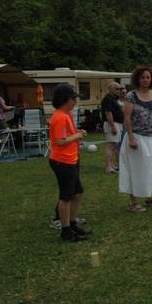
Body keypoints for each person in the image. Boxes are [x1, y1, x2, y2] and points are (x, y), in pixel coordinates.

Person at [119, 65, 152, 212]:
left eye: (148, 77)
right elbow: (127, 118)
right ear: (137, 79)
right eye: (142, 77)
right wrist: (131, 138)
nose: (145, 80)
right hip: (137, 138)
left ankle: (150, 197)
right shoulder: (131, 96)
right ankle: (133, 202)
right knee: (136, 169)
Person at [48, 84, 90, 242]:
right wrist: (77, 136)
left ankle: (72, 224)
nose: (75, 102)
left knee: (77, 193)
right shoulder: (59, 117)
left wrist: (77, 133)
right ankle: (65, 230)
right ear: (66, 99)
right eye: (73, 99)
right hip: (62, 161)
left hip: (71, 159)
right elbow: (59, 141)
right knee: (66, 196)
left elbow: (67, 135)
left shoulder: (67, 114)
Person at [101, 82, 123, 174]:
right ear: (110, 89)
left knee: (114, 146)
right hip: (112, 124)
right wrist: (113, 126)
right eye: (117, 89)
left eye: (119, 89)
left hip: (116, 123)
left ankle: (112, 165)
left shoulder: (113, 99)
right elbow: (108, 113)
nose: (119, 91)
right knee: (110, 145)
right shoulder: (108, 99)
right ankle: (108, 167)